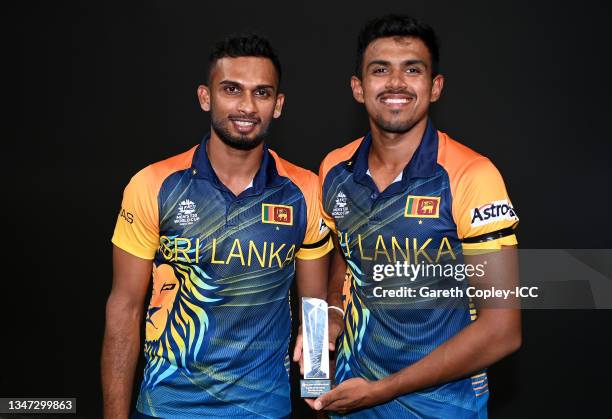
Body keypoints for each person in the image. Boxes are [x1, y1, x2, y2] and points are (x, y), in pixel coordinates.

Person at [102, 34, 333, 419]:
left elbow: (313, 307)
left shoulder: (305, 189)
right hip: (166, 408)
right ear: (205, 97)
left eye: (262, 93)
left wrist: (317, 395)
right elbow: (124, 308)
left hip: (264, 409)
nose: (246, 106)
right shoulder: (153, 184)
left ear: (278, 105)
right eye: (231, 90)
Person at [311, 15, 521, 418]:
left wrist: (381, 391)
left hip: (442, 406)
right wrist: (332, 313)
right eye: (380, 70)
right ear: (358, 88)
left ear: (435, 86)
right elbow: (345, 247)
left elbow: (502, 331)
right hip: (352, 395)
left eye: (412, 69)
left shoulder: (471, 175)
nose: (395, 83)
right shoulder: (334, 168)